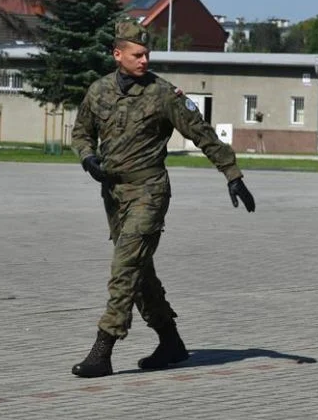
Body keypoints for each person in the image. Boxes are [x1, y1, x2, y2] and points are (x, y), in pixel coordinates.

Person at [69, 20, 255, 378]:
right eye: (137, 54)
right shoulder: (99, 91)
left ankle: (102, 349)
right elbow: (81, 133)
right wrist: (87, 158)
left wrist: (232, 173)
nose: (144, 60)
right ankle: (171, 342)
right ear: (117, 54)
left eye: (147, 54)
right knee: (139, 274)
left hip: (149, 191)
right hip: (114, 193)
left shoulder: (163, 94)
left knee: (124, 267)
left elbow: (202, 134)